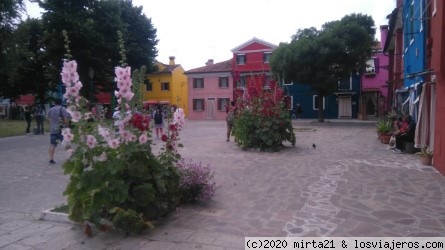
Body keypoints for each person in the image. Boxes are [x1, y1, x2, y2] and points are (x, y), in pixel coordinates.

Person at [47, 99, 69, 164]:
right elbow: (65, 119)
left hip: (53, 130)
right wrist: (67, 127)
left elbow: (48, 118)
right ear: (61, 103)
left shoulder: (50, 109)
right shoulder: (62, 109)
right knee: (66, 144)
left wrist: (52, 123)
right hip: (61, 129)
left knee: (52, 144)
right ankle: (71, 157)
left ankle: (51, 159)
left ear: (54, 103)